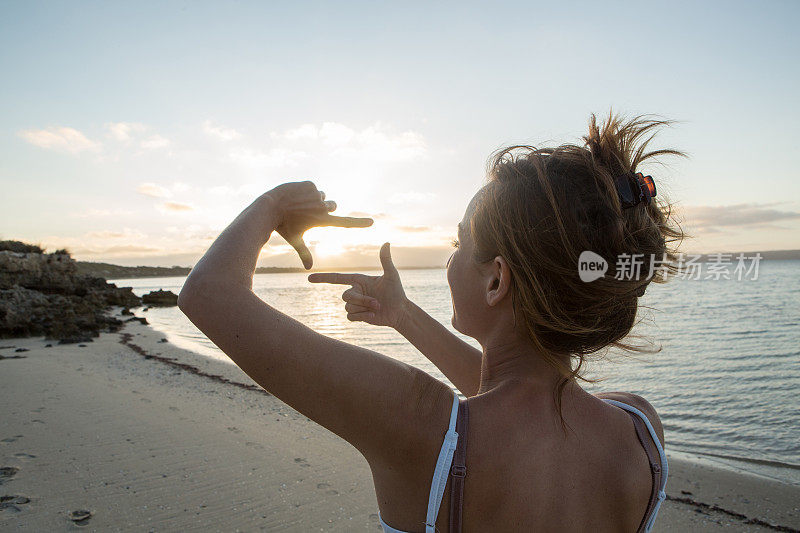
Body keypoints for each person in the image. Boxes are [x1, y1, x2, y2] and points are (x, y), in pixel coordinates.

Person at [178, 112, 682, 532]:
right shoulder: (640, 432)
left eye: (460, 241)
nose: (452, 258)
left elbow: (208, 294)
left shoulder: (423, 429)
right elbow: (514, 394)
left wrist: (275, 204)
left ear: (495, 281)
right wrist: (402, 316)